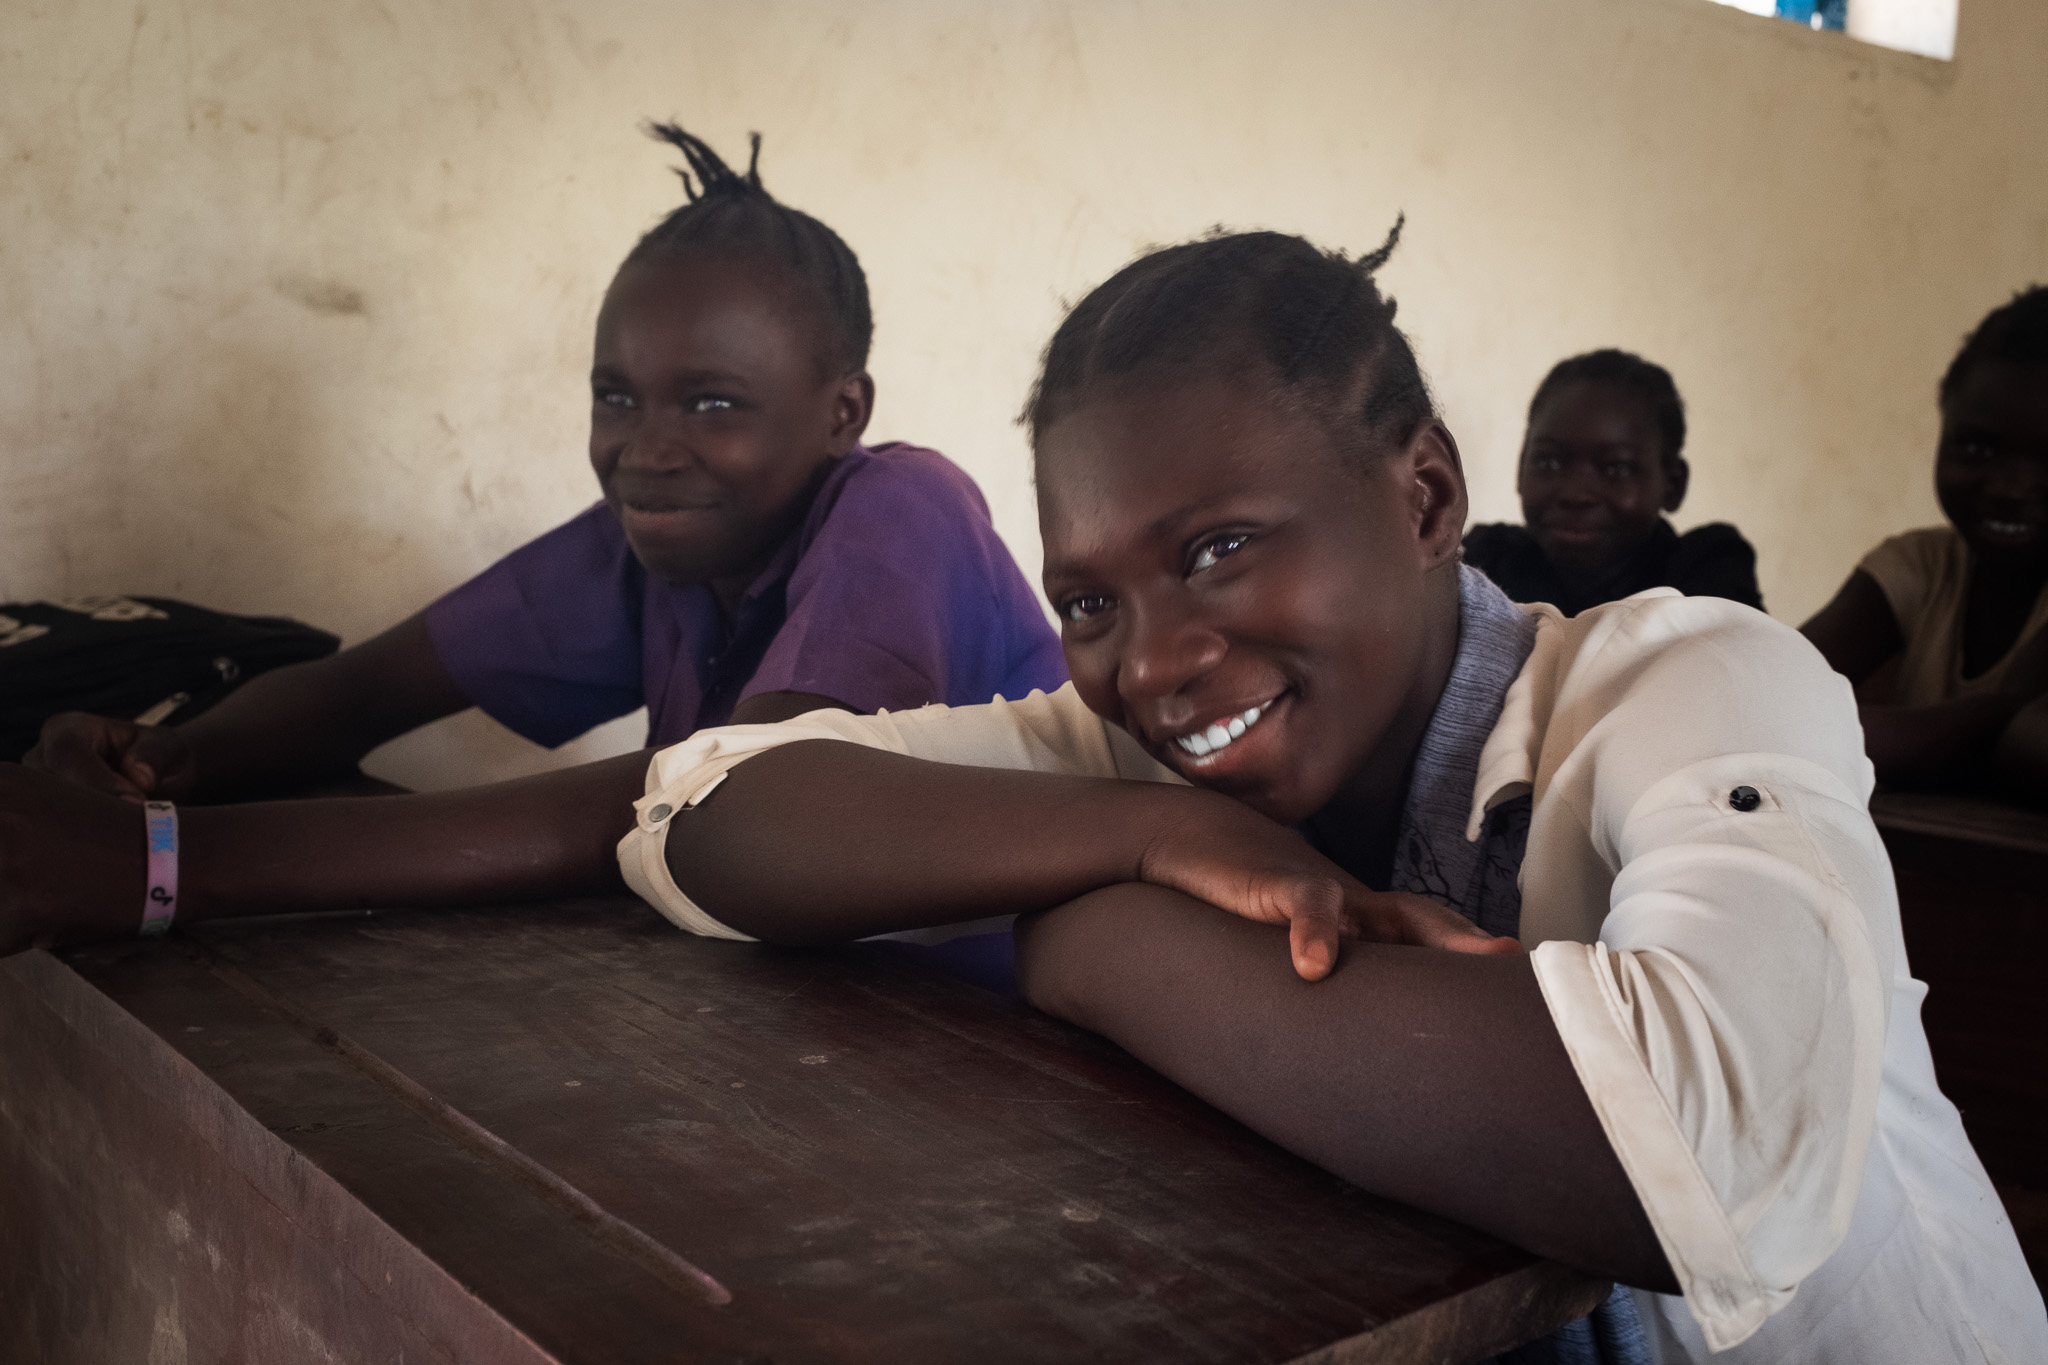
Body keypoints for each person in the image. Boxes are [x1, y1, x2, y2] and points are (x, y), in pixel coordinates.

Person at [612, 228, 2045, 1362]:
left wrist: (1090, 938)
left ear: (1426, 498)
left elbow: (1716, 1159)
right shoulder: (1146, 754)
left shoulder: (1691, 682)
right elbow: (707, 806)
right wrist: (1156, 832)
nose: (1157, 658)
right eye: (1088, 597)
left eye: (1223, 546)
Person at [0, 125, 1061, 942]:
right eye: (616, 396)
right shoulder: (659, 539)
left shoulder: (903, 512)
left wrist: (165, 863)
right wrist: (172, 758)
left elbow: (721, 796)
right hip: (807, 1016)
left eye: (712, 404)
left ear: (842, 412)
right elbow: (361, 691)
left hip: (1004, 1032)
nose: (645, 448)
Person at [1801, 286, 2048, 791]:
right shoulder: (1921, 566)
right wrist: (2002, 710)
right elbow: (1764, 700)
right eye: (1977, 447)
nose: (2008, 487)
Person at [1463, 350, 1763, 617]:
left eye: (1616, 469)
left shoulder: (1706, 572)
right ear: (1520, 469)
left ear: (1673, 483)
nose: (1576, 494)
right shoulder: (1488, 561)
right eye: (1549, 462)